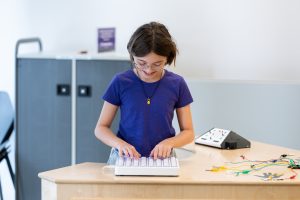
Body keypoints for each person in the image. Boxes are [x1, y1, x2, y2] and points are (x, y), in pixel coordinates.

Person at [94, 22, 194, 164]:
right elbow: (101, 128)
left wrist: (169, 143)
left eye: (157, 64)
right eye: (141, 63)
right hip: (125, 158)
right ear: (132, 56)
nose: (148, 70)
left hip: (162, 159)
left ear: (168, 58)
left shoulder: (177, 84)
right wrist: (120, 144)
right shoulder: (120, 82)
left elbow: (188, 132)